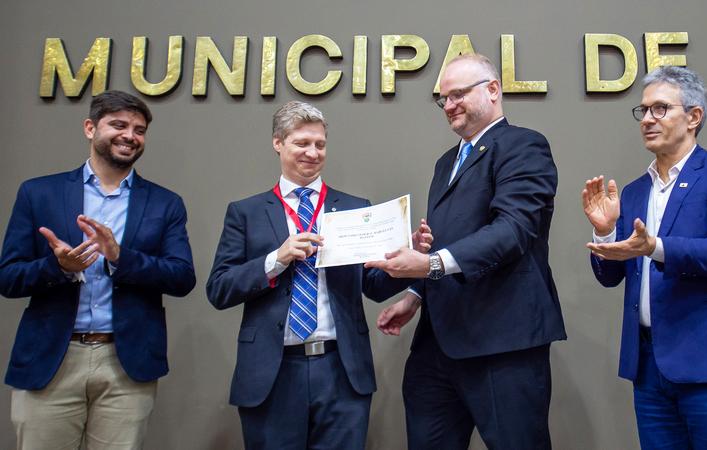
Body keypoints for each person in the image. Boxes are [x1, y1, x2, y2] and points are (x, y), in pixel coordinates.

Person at [206, 101, 431, 450]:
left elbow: (372, 285)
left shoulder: (354, 208)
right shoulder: (246, 213)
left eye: (320, 144)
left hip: (341, 370)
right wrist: (275, 260)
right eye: (302, 143)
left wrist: (408, 257)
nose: (312, 153)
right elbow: (219, 289)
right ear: (278, 143)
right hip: (273, 372)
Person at [367, 54, 566, 449]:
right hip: (436, 348)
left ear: (493, 90)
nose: (450, 105)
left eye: (459, 94)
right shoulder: (446, 163)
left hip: (502, 344)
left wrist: (429, 264)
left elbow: (513, 230)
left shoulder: (524, 145)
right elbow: (446, 240)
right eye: (444, 99)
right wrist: (414, 293)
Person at [0, 90, 196, 449]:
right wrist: (58, 266)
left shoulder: (165, 203)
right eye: (118, 125)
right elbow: (8, 277)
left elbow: (182, 277)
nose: (130, 136)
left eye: (139, 130)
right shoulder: (38, 193)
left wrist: (121, 257)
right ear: (90, 128)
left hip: (125, 363)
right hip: (52, 360)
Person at [583, 65, 707, 449]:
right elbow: (610, 278)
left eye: (660, 109)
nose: (647, 119)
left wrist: (655, 247)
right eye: (644, 111)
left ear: (694, 117)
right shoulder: (632, 191)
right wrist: (603, 232)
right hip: (648, 369)